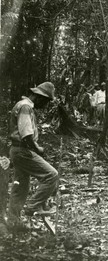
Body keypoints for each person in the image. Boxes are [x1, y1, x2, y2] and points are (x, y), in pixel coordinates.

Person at [7, 82, 59, 230]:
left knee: (20, 188)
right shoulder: (26, 106)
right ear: (39, 97)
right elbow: (26, 135)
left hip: (17, 151)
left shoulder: (24, 105)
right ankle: (32, 207)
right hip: (22, 150)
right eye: (46, 101)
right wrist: (37, 149)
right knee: (51, 175)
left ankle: (13, 222)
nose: (46, 104)